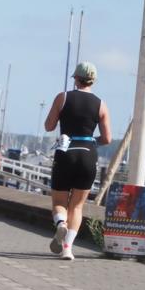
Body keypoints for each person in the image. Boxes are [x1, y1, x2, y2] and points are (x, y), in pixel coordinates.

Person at [43, 62, 112, 261]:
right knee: (78, 206)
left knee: (59, 202)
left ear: (76, 78)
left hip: (66, 152)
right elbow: (107, 139)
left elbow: (49, 126)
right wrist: (90, 141)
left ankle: (61, 225)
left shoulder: (63, 97)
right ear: (93, 81)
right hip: (88, 154)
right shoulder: (101, 104)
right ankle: (67, 249)